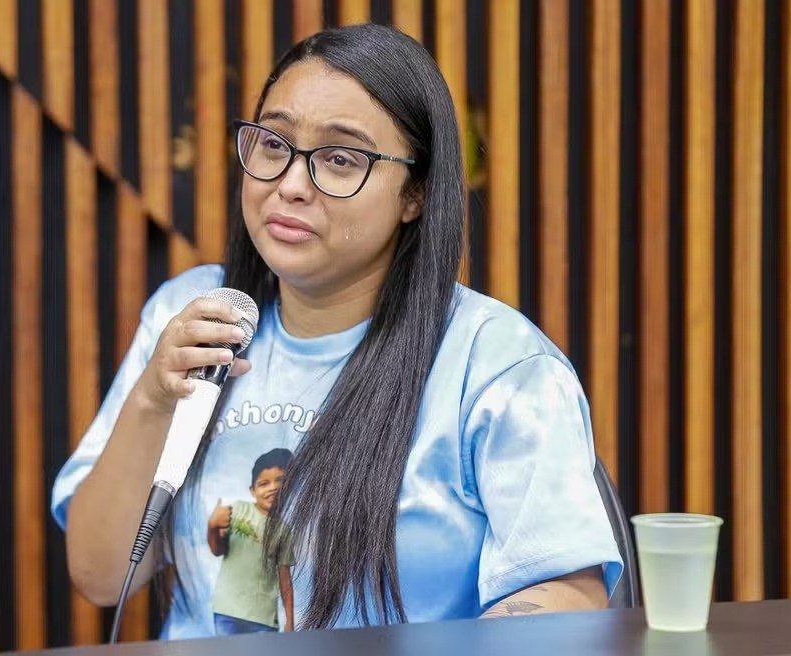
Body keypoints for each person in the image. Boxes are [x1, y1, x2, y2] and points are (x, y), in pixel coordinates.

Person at [51, 23, 623, 640]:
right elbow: (101, 576)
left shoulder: (496, 362)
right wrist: (152, 399)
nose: (291, 185)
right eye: (274, 144)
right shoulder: (193, 314)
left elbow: (569, 594)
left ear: (416, 193)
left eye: (341, 158)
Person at [207, 448, 295, 635]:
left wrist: (290, 620)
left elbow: (285, 578)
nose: (272, 488)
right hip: (227, 611)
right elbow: (217, 550)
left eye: (280, 480)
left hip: (264, 617)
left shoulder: (284, 530)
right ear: (252, 491)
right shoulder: (237, 510)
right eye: (264, 483)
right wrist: (212, 526)